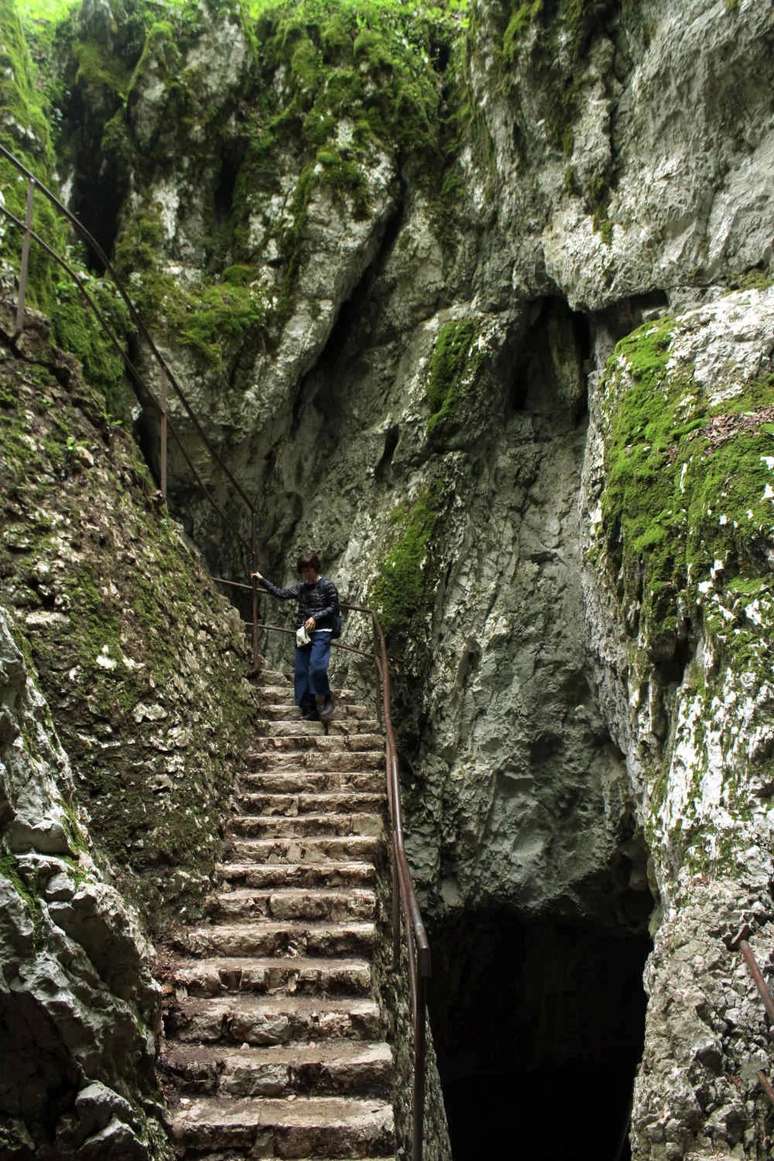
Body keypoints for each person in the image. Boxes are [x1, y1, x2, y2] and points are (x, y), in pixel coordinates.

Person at [251, 551, 339, 722]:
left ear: (315, 568)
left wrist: (316, 617)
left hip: (322, 631)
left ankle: (326, 697)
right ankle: (309, 707)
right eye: (303, 571)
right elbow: (280, 593)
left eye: (309, 570)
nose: (306, 574)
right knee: (301, 671)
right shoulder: (301, 588)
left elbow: (334, 607)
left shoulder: (327, 585)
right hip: (303, 632)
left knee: (317, 667)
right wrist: (262, 580)